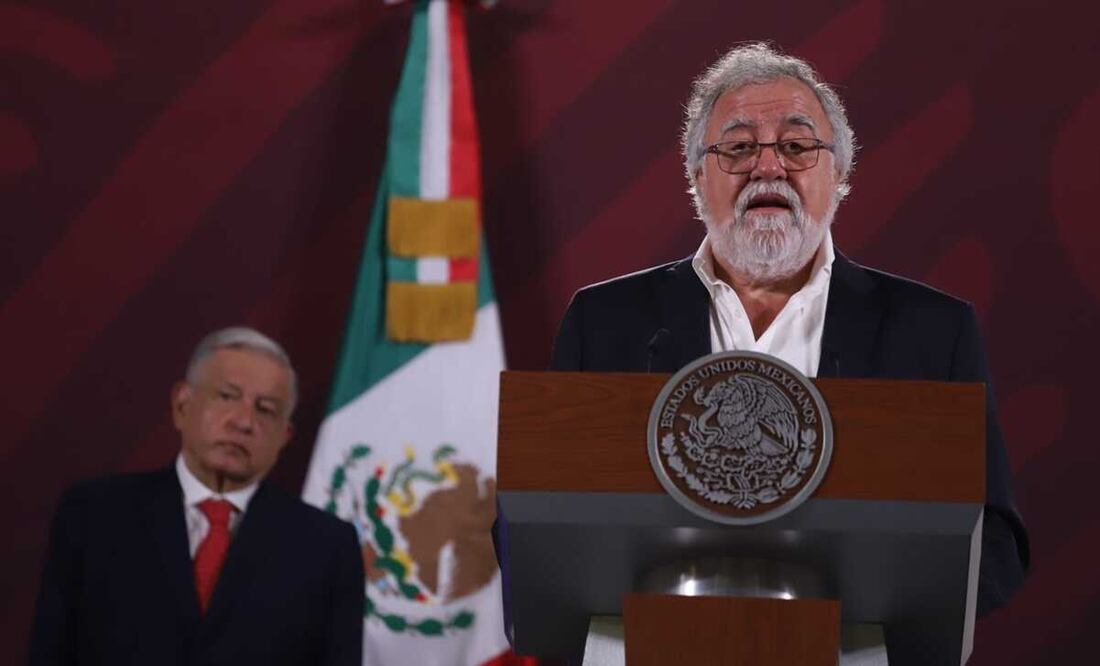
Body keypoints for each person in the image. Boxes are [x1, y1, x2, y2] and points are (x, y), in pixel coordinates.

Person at [550, 43, 1028, 615]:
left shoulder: (933, 332)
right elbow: (541, 524)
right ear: (696, 173)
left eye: (797, 146)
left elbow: (993, 542)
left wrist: (879, 620)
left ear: (840, 172)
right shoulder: (603, 322)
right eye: (739, 147)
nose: (768, 167)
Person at [29, 327, 364, 665]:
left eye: (265, 409)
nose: (244, 422)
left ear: (285, 436)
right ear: (182, 405)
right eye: (227, 396)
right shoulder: (94, 514)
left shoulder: (327, 547)